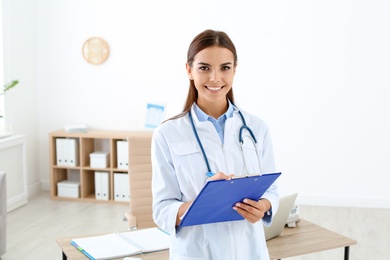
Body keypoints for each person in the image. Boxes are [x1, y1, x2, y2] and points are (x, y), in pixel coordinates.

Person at [151, 29, 279, 260]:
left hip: (250, 251)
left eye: (225, 68)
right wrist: (201, 203)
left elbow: (271, 189)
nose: (215, 78)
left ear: (235, 70)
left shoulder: (257, 128)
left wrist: (265, 205)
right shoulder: (167, 134)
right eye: (204, 68)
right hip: (197, 252)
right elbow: (161, 210)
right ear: (189, 70)